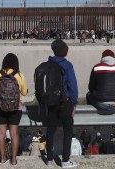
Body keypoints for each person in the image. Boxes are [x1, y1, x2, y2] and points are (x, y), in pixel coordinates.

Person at [45, 39, 79, 168]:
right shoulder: (67, 65)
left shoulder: (48, 64)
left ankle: (49, 160)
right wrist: (74, 103)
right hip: (65, 103)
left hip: (51, 103)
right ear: (64, 51)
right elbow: (72, 86)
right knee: (68, 131)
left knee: (50, 130)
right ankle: (65, 161)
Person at [0, 53, 28, 165]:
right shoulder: (19, 75)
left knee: (1, 133)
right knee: (14, 134)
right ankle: (13, 160)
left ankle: (2, 159)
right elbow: (24, 93)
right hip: (15, 108)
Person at [86, 49, 115, 115]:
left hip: (102, 104)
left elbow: (90, 87)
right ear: (113, 57)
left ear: (102, 58)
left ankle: (91, 117)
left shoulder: (97, 67)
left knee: (88, 95)